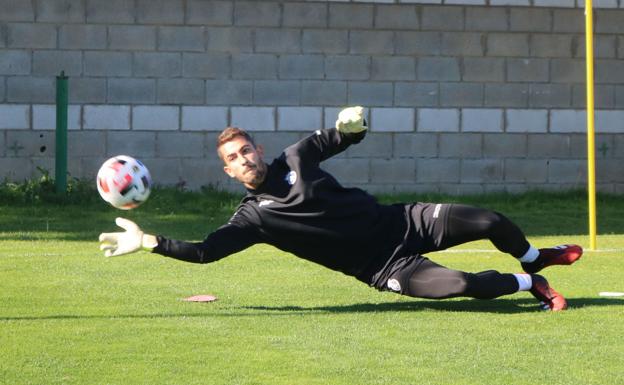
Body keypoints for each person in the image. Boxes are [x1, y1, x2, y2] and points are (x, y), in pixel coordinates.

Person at [99, 106, 583, 311]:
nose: (243, 159)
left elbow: (340, 135)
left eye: (246, 150)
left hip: (404, 221)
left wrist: (356, 122)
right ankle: (531, 283)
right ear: (228, 173)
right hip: (384, 266)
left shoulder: (296, 157)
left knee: (490, 220)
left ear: (259, 150)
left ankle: (533, 257)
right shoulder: (253, 219)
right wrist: (149, 242)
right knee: (457, 285)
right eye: (233, 159)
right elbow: (206, 252)